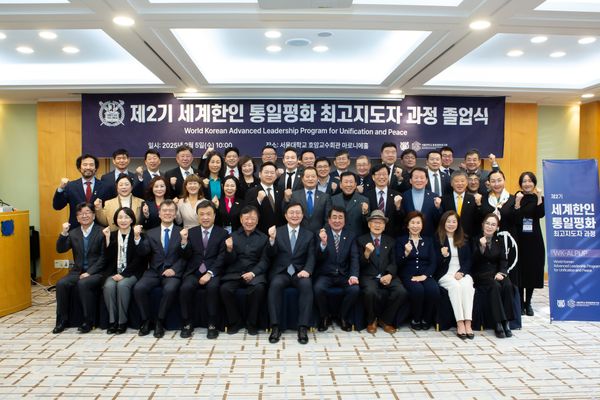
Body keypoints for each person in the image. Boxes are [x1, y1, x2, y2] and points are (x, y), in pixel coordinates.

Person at [53, 202, 106, 334]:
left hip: (97, 272)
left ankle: (88, 321)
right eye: (81, 214)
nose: (84, 216)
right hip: (77, 271)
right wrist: (64, 233)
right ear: (77, 218)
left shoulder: (102, 231)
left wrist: (90, 272)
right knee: (61, 284)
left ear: (94, 215)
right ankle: (62, 321)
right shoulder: (73, 233)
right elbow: (60, 249)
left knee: (83, 283)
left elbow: (104, 258)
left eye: (87, 212)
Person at [133, 200, 184, 338]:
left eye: (171, 210)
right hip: (154, 271)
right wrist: (137, 237)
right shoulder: (151, 233)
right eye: (164, 211)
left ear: (175, 214)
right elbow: (143, 252)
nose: (167, 213)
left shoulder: (182, 232)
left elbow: (186, 256)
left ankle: (159, 321)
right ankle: (146, 320)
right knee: (139, 288)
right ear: (159, 214)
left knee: (170, 289)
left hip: (172, 271)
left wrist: (175, 269)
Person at [267, 202, 315, 345]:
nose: (295, 215)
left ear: (302, 215)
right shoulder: (277, 232)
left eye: (298, 212)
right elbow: (270, 254)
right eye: (291, 212)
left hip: (300, 272)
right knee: (275, 285)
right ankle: (275, 327)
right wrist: (271, 240)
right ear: (286, 215)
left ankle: (303, 327)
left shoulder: (309, 234)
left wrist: (307, 270)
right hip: (281, 272)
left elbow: (311, 256)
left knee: (307, 285)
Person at [179, 199, 228, 339]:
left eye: (208, 214)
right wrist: (183, 242)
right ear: (197, 216)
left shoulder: (222, 233)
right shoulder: (190, 232)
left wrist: (210, 273)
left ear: (214, 215)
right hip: (194, 271)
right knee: (185, 288)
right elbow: (186, 256)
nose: (205, 217)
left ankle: (212, 324)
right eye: (202, 214)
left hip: (213, 271)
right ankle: (187, 323)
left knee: (213, 287)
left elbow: (222, 257)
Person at [220, 205, 269, 335]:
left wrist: (253, 273)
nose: (249, 221)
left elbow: (265, 261)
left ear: (258, 220)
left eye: (253, 218)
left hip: (254, 273)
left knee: (259, 288)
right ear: (241, 219)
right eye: (246, 218)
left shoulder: (263, 238)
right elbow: (227, 261)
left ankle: (252, 323)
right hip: (235, 273)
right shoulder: (232, 236)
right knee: (225, 289)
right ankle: (235, 322)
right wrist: (229, 249)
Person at [356, 210, 407, 334]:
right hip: (369, 275)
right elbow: (358, 264)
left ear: (384, 226)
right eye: (374, 222)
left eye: (380, 223)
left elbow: (394, 262)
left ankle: (385, 320)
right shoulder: (361, 240)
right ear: (369, 224)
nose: (377, 225)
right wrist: (366, 254)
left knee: (401, 291)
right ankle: (371, 320)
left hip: (386, 274)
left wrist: (389, 274)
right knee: (370, 291)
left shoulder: (390, 241)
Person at [314, 206, 360, 332]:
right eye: (334, 217)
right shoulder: (321, 234)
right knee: (318, 289)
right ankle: (325, 316)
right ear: (329, 220)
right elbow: (317, 257)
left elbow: (354, 257)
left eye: (340, 217)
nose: (337, 220)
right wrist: (323, 243)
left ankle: (342, 316)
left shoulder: (351, 235)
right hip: (325, 274)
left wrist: (354, 275)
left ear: (344, 220)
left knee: (354, 289)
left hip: (343, 274)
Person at [101, 207, 145, 335]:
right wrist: (107, 239)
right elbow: (107, 259)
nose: (123, 220)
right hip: (114, 272)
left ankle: (122, 322)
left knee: (122, 285)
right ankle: (112, 321)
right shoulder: (112, 235)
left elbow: (139, 259)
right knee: (108, 286)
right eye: (120, 217)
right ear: (116, 220)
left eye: (126, 217)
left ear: (132, 220)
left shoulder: (139, 235)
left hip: (132, 272)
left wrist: (123, 275)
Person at [472, 213, 515, 339]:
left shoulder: (499, 241)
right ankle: (498, 323)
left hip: (497, 273)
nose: (489, 227)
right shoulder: (475, 239)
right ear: (482, 225)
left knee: (508, 285)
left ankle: (506, 322)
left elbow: (503, 261)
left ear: (497, 228)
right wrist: (482, 247)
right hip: (481, 274)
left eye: (493, 225)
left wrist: (501, 272)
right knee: (495, 286)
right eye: (487, 223)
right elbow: (473, 261)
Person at [435, 211, 475, 339]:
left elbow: (468, 260)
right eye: (448, 221)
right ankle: (460, 323)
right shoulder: (437, 239)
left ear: (458, 224)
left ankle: (468, 322)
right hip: (445, 273)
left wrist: (462, 272)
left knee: (467, 286)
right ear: (443, 223)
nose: (451, 224)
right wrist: (444, 256)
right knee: (455, 287)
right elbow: (435, 263)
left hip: (461, 272)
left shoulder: (464, 238)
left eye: (454, 221)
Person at [397, 211, 440, 331]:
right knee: (418, 290)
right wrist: (406, 253)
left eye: (418, 223)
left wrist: (425, 275)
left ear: (422, 225)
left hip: (425, 275)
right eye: (412, 223)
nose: (415, 226)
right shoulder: (401, 241)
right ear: (407, 225)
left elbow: (433, 262)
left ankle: (426, 319)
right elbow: (397, 263)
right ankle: (416, 319)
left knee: (433, 290)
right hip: (408, 275)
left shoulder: (428, 240)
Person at [478, 170, 519, 285]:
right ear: (488, 183)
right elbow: (479, 219)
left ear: (504, 181)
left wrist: (517, 205)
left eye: (499, 180)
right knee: (491, 271)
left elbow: (516, 220)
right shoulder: (483, 199)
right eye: (493, 181)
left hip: (509, 240)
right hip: (490, 241)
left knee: (510, 272)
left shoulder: (513, 199)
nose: (496, 184)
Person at [514, 172, 545, 316]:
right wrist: (517, 202)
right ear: (520, 184)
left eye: (530, 181)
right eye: (524, 181)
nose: (527, 184)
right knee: (520, 270)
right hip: (519, 238)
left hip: (534, 239)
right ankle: (520, 303)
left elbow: (540, 214)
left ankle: (528, 303)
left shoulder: (539, 198)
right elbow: (516, 218)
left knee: (532, 270)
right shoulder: (517, 196)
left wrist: (539, 197)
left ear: (534, 183)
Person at [53, 154, 110, 228]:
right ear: (79, 168)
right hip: (76, 229)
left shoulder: (106, 187)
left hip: (99, 230)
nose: (88, 167)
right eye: (85, 165)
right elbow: (57, 206)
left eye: (91, 165)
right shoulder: (71, 186)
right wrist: (61, 188)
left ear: (95, 168)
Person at [286, 166, 331, 234]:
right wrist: (286, 199)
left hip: (319, 235)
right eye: (307, 177)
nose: (310, 179)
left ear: (317, 179)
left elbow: (328, 218)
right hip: (299, 234)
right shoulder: (294, 195)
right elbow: (287, 214)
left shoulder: (325, 197)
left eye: (313, 176)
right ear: (302, 179)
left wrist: (324, 231)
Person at [244, 161, 284, 234]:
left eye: (272, 173)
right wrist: (258, 200)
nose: (269, 175)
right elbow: (247, 212)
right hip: (259, 233)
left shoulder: (281, 191)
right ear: (260, 174)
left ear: (276, 175)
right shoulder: (251, 192)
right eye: (266, 172)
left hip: (278, 232)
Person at [401, 167, 443, 236]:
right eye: (416, 178)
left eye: (422, 178)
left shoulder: (434, 197)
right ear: (410, 180)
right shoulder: (404, 196)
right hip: (408, 236)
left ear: (426, 181)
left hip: (428, 236)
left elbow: (438, 220)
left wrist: (438, 208)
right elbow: (401, 218)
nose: (419, 180)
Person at [365, 164, 404, 237]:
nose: (382, 177)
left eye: (384, 174)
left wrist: (398, 207)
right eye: (378, 174)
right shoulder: (366, 196)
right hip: (372, 235)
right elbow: (364, 220)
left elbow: (401, 219)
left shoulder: (398, 195)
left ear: (388, 176)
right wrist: (365, 212)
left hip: (392, 235)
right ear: (373, 177)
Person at [441, 171, 480, 239]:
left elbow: (477, 220)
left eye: (462, 181)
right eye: (456, 181)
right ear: (451, 183)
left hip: (468, 238)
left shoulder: (473, 200)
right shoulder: (444, 200)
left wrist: (479, 205)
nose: (460, 184)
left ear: (467, 183)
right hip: (449, 237)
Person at [331, 172, 369, 237]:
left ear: (355, 184)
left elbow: (367, 223)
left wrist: (365, 213)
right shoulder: (333, 199)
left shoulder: (363, 200)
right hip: (337, 237)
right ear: (340, 185)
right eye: (346, 182)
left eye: (351, 182)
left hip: (356, 238)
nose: (348, 185)